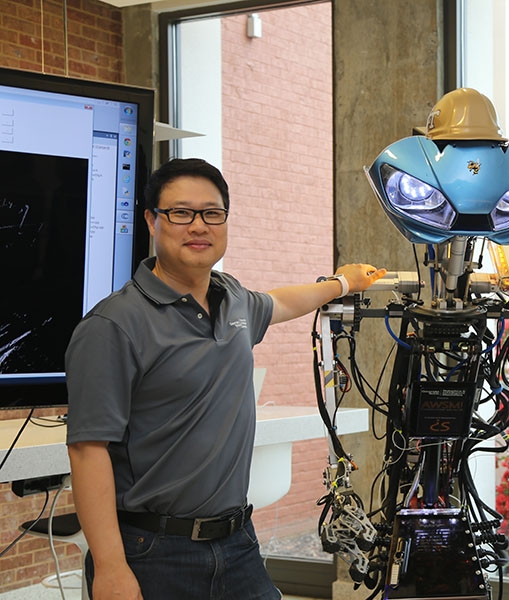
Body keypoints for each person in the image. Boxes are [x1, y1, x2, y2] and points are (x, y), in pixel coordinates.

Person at [65, 157, 386, 600]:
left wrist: (341, 283)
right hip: (153, 552)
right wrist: (110, 567)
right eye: (181, 212)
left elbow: (280, 302)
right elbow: (87, 451)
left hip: (238, 544)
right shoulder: (112, 325)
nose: (198, 226)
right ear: (151, 221)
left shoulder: (232, 297)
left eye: (212, 213)